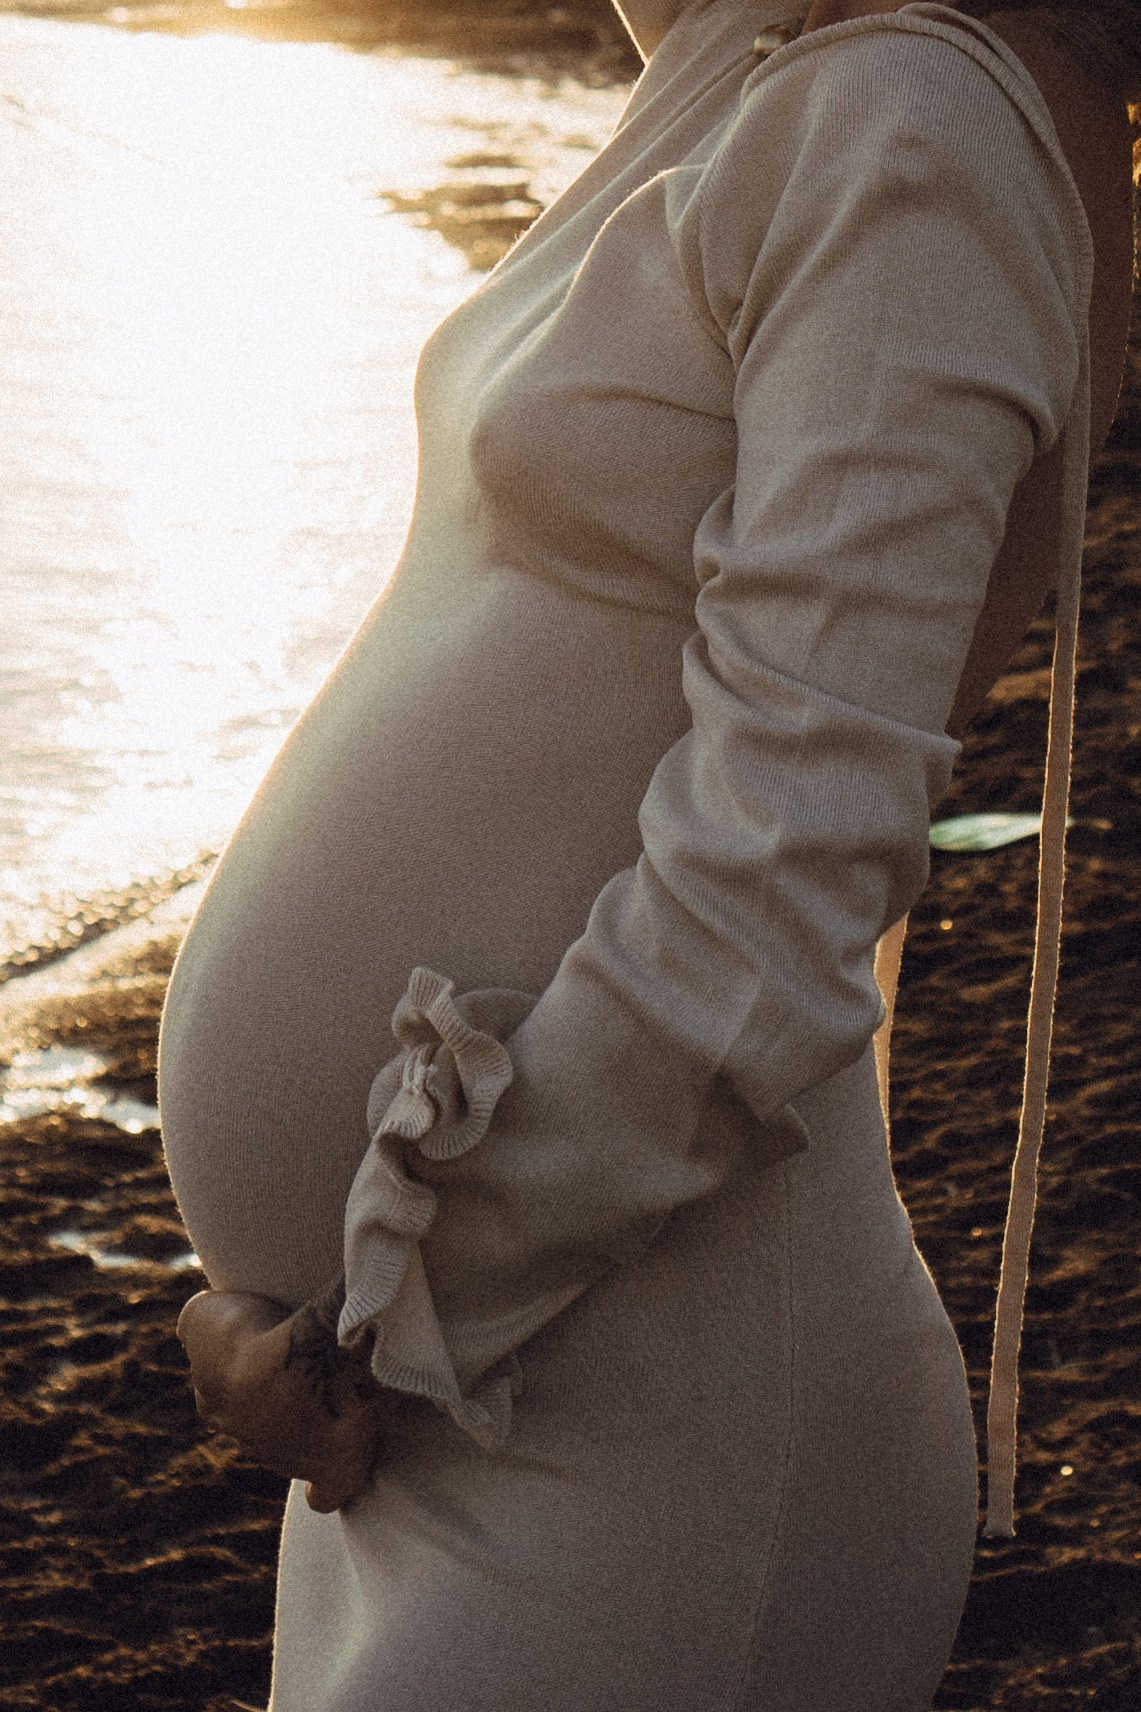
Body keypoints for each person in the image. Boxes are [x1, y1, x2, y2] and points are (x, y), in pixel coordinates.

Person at [159, 1, 1138, 1706]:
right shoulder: (753, 70)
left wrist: (381, 1313)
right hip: (454, 1397)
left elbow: (782, 874)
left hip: (621, 1422)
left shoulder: (912, 129)